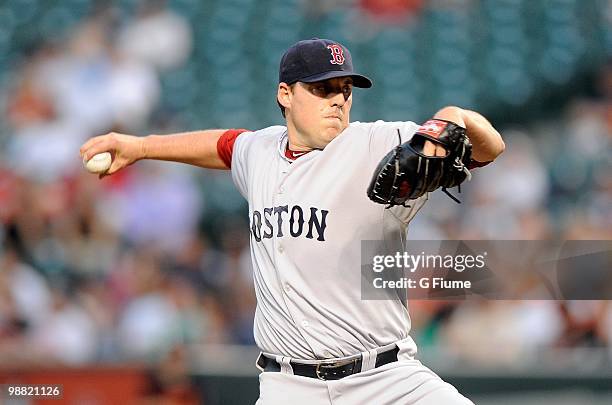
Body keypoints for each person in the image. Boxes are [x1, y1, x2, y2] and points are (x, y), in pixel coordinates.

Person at [80, 38, 504, 404]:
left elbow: (490, 148)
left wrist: (458, 117)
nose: (338, 99)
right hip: (289, 387)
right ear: (286, 94)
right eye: (322, 88)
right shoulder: (260, 152)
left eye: (345, 89)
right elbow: (222, 145)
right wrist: (139, 146)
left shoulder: (377, 142)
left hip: (385, 379)